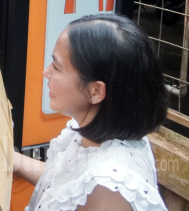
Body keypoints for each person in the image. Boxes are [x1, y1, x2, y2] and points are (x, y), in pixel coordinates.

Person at [13, 14, 168, 211]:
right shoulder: (98, 133)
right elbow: (64, 186)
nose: (46, 72)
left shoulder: (109, 192)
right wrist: (12, 159)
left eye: (57, 67)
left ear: (96, 91)